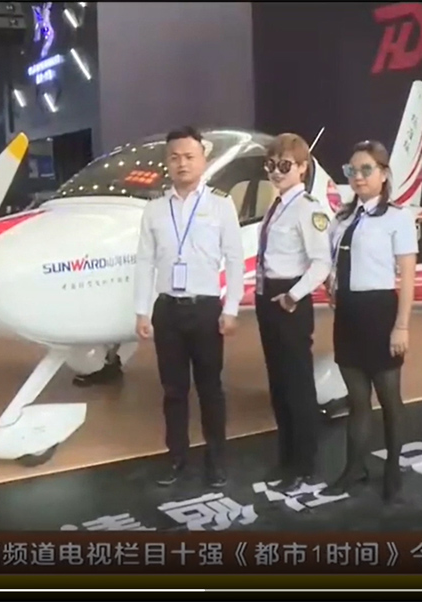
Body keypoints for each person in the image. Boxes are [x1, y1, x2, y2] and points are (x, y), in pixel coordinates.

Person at [133, 126, 245, 488]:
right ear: (167, 162)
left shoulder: (220, 205)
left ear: (203, 160)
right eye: (175, 157)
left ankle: (217, 461)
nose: (182, 163)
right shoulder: (154, 209)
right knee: (173, 391)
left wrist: (231, 308)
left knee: (211, 389)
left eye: (189, 157)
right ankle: (177, 458)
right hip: (167, 310)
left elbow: (234, 258)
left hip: (206, 309)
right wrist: (141, 310)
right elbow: (144, 262)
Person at [322, 140, 417, 503]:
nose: (358, 177)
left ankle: (393, 468)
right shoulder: (342, 218)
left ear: (384, 174)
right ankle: (354, 467)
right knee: (358, 400)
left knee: (389, 398)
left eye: (366, 170)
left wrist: (402, 325)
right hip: (348, 313)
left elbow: (407, 276)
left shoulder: (397, 217)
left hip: (380, 312)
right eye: (352, 170)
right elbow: (331, 260)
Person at [255, 132, 332, 493]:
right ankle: (286, 457)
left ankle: (305, 462)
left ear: (302, 167)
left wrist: (293, 295)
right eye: (270, 164)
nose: (276, 171)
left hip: (290, 299)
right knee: (278, 382)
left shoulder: (307, 208)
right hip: (268, 296)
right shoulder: (277, 205)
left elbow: (321, 262)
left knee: (297, 384)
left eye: (284, 165)